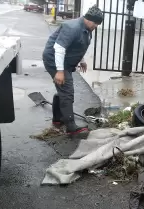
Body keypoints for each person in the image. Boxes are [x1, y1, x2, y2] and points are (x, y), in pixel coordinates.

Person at [42, 5, 103, 136]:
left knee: (63, 90)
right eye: (95, 23)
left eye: (98, 24)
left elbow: (78, 46)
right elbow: (59, 48)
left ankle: (58, 120)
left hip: (65, 62)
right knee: (67, 92)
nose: (96, 26)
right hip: (54, 60)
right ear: (88, 19)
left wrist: (82, 61)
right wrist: (59, 71)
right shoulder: (72, 27)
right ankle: (71, 127)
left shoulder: (87, 29)